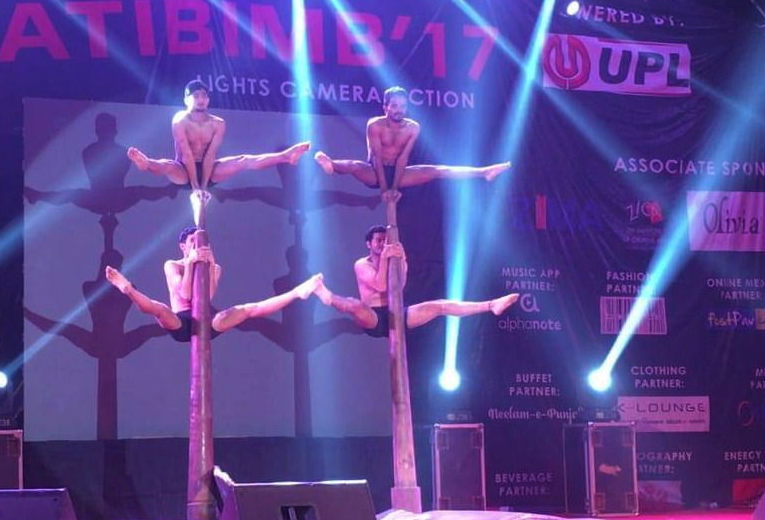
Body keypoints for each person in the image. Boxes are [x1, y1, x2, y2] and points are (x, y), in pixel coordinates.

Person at [106, 226, 323, 342]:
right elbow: (185, 294)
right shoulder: (172, 265)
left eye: (200, 243)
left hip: (207, 320)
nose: (196, 246)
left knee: (249, 309)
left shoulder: (215, 267)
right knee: (159, 309)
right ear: (183, 246)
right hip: (181, 321)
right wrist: (190, 264)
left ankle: (297, 292)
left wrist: (209, 265)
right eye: (192, 242)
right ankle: (128, 289)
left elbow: (206, 298)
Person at [313, 225, 519, 337]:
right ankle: (325, 294)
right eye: (378, 240)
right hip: (373, 317)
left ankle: (491, 305)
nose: (382, 243)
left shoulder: (393, 259)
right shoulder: (361, 263)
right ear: (369, 244)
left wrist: (402, 260)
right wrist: (385, 257)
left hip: (397, 313)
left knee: (440, 306)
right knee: (355, 305)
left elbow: (399, 287)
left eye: (385, 240)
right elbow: (381, 286)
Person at [314, 86, 511, 199]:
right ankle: (331, 165)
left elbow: (403, 159)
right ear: (385, 107)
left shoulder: (412, 128)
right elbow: (377, 158)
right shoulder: (375, 125)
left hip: (400, 173)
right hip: (374, 172)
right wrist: (384, 190)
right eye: (394, 106)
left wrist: (395, 188)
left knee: (437, 170)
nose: (399, 109)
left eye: (402, 105)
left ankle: (484, 172)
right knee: (354, 165)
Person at [126, 80, 311, 193]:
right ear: (186, 99)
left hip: (210, 169)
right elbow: (187, 154)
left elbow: (210, 155)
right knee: (166, 165)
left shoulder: (218, 123)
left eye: (204, 96)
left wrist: (204, 186)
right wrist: (195, 188)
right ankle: (147, 163)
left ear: (208, 100)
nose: (201, 99)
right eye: (196, 96)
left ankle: (286, 156)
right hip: (183, 170)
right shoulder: (180, 120)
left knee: (243, 160)